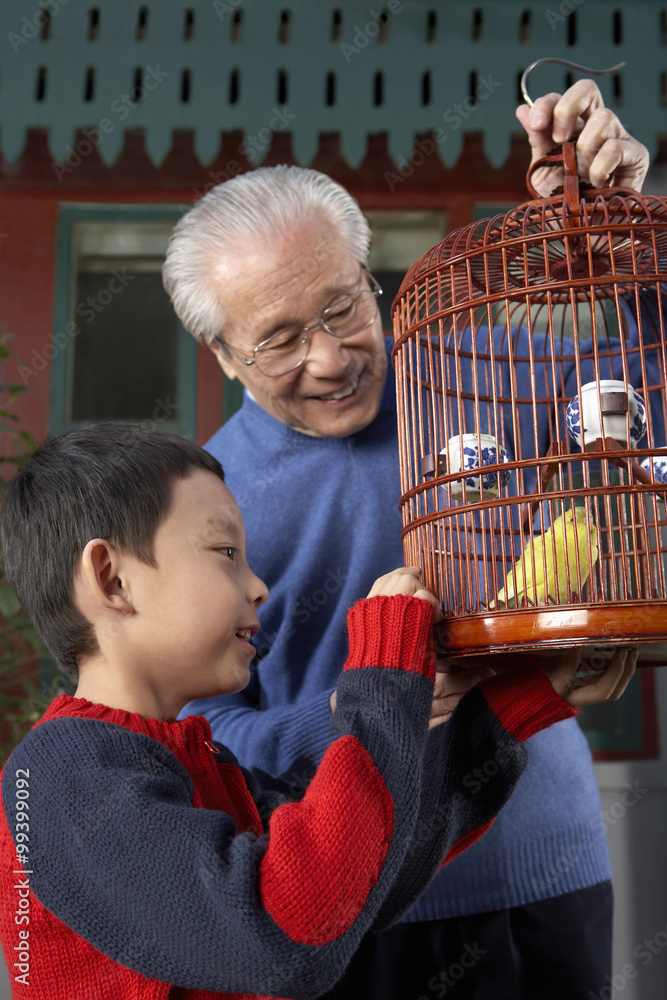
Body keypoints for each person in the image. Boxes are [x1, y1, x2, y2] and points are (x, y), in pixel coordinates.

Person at [162, 83, 652, 999]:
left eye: (343, 306)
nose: (331, 356)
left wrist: (614, 228)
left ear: (369, 276)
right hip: (351, 905)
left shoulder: (487, 367)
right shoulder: (203, 498)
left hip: (542, 868)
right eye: (276, 339)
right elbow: (207, 730)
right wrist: (381, 702)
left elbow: (647, 395)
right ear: (221, 354)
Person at [0, 422, 635, 1000]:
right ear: (111, 580)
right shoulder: (59, 773)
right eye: (225, 553)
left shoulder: (200, 762)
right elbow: (285, 933)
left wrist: (512, 702)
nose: (259, 585)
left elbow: (360, 878)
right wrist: (383, 671)